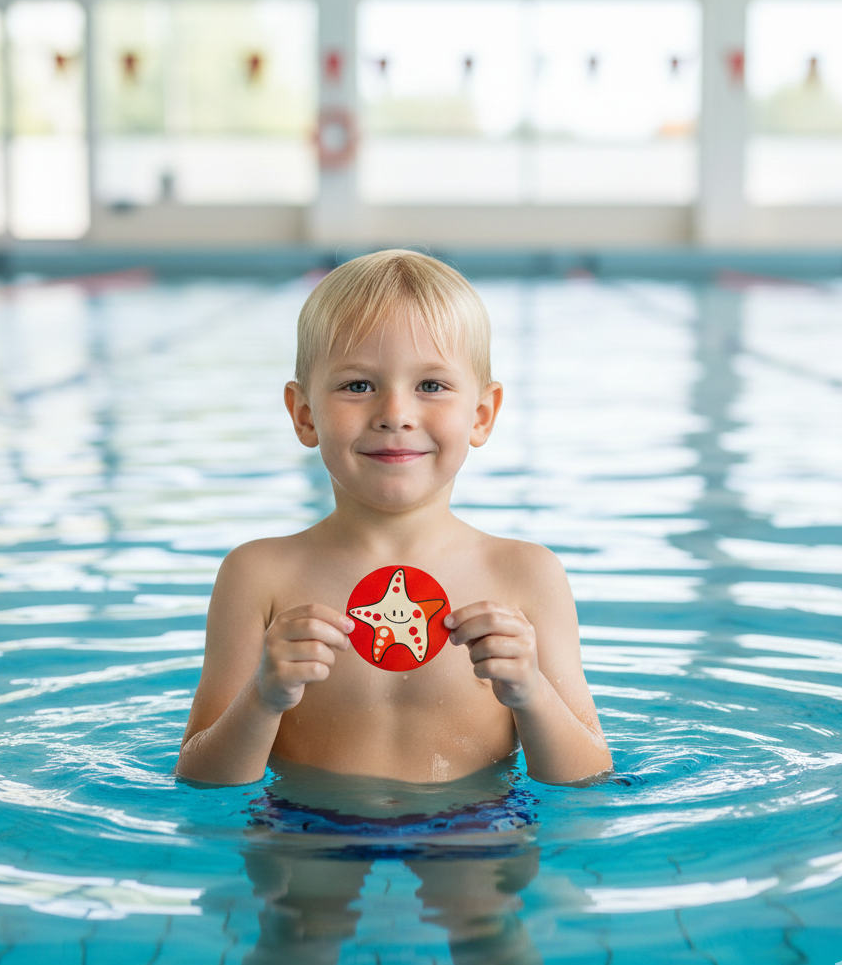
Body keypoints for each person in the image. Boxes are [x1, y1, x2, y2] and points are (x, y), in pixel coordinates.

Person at [177, 248, 611, 788]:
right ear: (304, 414)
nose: (395, 416)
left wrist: (531, 691)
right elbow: (199, 776)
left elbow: (589, 775)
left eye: (431, 386)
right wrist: (263, 698)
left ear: (481, 415)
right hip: (305, 827)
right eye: (358, 385)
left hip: (474, 827)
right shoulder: (259, 574)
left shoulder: (526, 575)